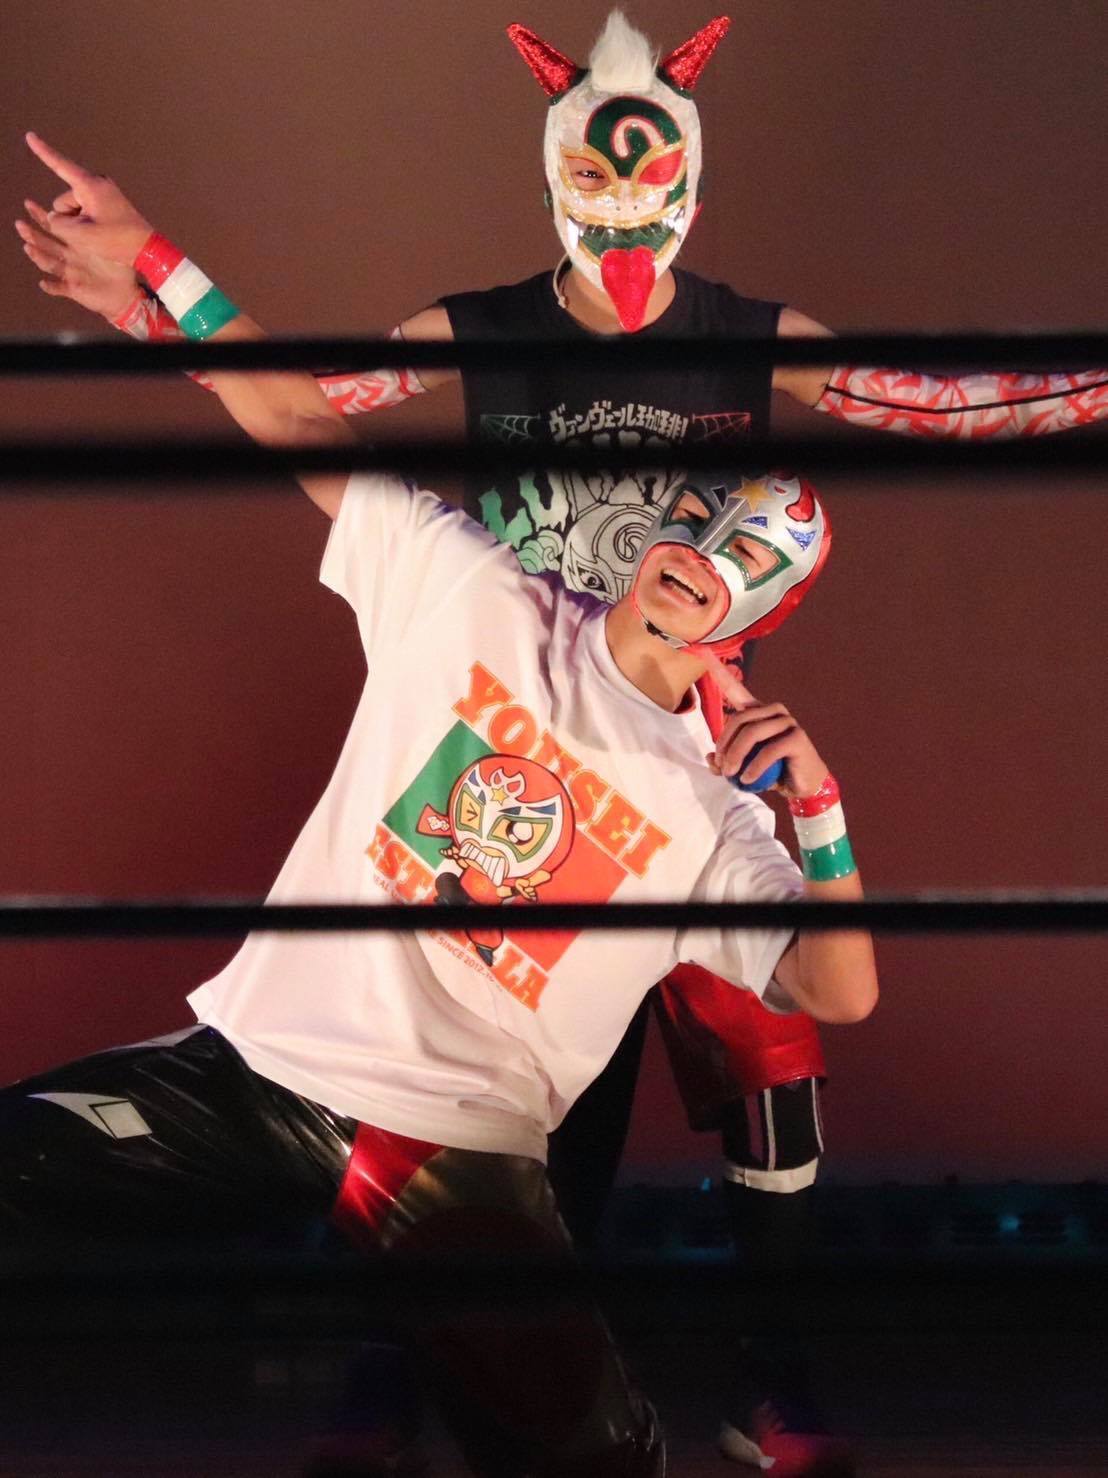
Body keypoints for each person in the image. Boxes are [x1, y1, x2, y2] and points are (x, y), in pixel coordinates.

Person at [24, 14, 1101, 1473]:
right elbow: (304, 410)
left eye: (728, 551)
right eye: (596, 179)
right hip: (493, 725)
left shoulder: (746, 358)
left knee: (742, 1047)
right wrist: (152, 287)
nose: (684, 550)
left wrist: (818, 814)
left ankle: (764, 1372)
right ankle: (393, 1366)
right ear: (553, 181)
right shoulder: (472, 498)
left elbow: (938, 404)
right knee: (496, 1125)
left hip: (675, 785)